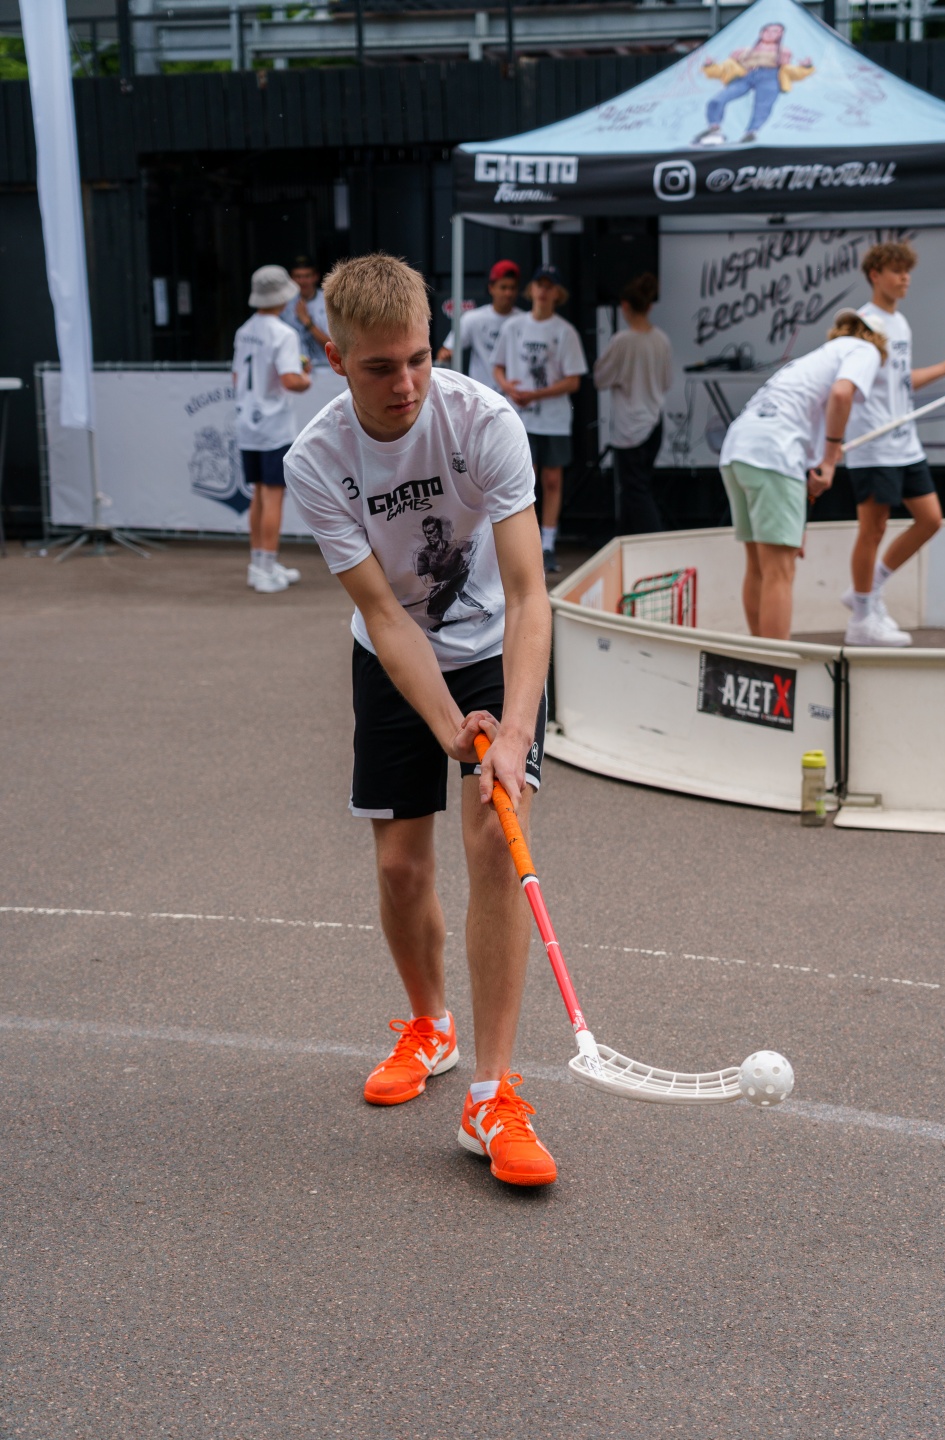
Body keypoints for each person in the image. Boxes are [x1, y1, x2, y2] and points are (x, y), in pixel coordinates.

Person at [283, 253, 557, 1188]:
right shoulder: (317, 460)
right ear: (335, 357)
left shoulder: (484, 421)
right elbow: (385, 613)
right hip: (394, 653)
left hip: (495, 642)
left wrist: (510, 734)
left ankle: (493, 1094)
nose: (405, 384)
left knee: (495, 843)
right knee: (402, 867)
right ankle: (431, 1026)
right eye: (379, 367)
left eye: (419, 359)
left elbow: (529, 593)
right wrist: (448, 727)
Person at [719, 308, 886, 640]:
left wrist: (801, 522)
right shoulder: (864, 350)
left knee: (758, 567)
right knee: (779, 571)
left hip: (739, 449)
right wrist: (831, 458)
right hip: (774, 453)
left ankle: (761, 656)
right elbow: (841, 394)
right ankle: (776, 663)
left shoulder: (817, 358)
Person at [841, 241, 945, 647]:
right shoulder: (863, 324)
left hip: (906, 443)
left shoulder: (900, 324)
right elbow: (848, 384)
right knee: (872, 529)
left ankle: (867, 589)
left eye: (907, 271)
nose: (905, 278)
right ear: (875, 275)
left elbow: (902, 383)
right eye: (896, 270)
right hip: (874, 444)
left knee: (931, 520)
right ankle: (861, 617)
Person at [492, 264, 588, 573]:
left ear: (557, 293)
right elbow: (498, 366)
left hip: (554, 419)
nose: (543, 291)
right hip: (520, 417)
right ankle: (527, 542)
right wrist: (508, 388)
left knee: (552, 480)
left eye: (549, 286)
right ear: (531, 289)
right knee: (526, 479)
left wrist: (536, 394)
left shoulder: (565, 331)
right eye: (539, 284)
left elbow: (573, 380)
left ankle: (547, 543)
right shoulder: (514, 327)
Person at [232, 264, 312, 594]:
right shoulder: (284, 333)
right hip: (274, 424)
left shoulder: (244, 330)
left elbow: (236, 376)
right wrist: (306, 379)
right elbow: (291, 380)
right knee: (273, 495)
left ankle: (259, 564)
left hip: (247, 421)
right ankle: (265, 567)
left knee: (259, 494)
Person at [592, 273, 673, 534]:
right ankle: (628, 540)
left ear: (625, 305)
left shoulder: (622, 341)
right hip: (654, 421)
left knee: (635, 490)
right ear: (649, 306)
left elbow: (600, 378)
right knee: (637, 487)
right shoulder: (661, 339)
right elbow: (667, 382)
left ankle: (653, 540)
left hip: (630, 426)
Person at [694, 22, 814, 146]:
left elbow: (790, 71)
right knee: (717, 99)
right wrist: (709, 65)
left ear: (781, 34)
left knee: (763, 106)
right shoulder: (742, 51)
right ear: (761, 33)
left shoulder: (784, 52)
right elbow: (725, 68)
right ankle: (714, 127)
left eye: (776, 31)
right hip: (746, 75)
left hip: (770, 76)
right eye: (768, 31)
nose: (771, 34)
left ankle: (751, 132)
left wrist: (806, 67)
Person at [435, 259, 521, 391]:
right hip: (483, 394)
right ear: (491, 288)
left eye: (512, 288)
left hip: (516, 394)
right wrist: (446, 355)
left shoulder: (523, 320)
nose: (508, 293)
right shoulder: (474, 319)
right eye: (503, 287)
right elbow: (446, 350)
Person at [280, 255, 332, 369]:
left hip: (325, 369)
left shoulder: (329, 301)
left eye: (307, 276)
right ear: (291, 278)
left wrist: (307, 321)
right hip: (294, 369)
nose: (302, 281)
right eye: (298, 276)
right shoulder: (283, 304)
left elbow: (334, 346)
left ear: (315, 277)